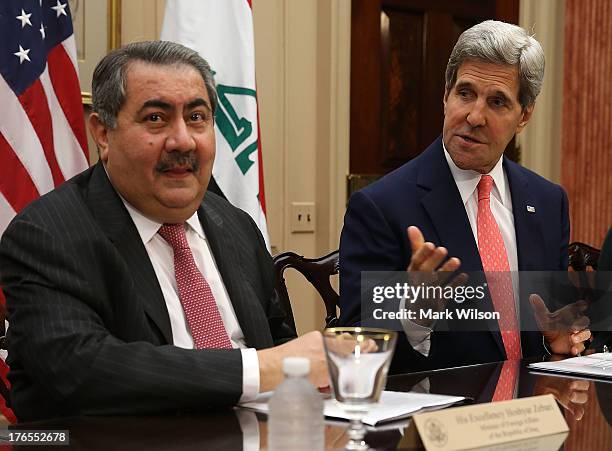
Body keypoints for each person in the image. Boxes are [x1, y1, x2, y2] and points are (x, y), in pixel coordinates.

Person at [0, 41, 327, 421]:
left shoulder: (236, 225)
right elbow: (79, 369)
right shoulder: (48, 235)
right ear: (103, 133)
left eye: (197, 117)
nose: (183, 141)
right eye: (156, 118)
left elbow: (278, 343)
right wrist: (260, 370)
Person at [339, 20, 591, 373]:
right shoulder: (381, 207)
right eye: (465, 93)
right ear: (446, 95)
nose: (474, 116)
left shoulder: (548, 202)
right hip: (437, 419)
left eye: (497, 102)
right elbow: (357, 348)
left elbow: (549, 326)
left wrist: (557, 343)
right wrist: (414, 312)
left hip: (528, 415)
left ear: (524, 115)